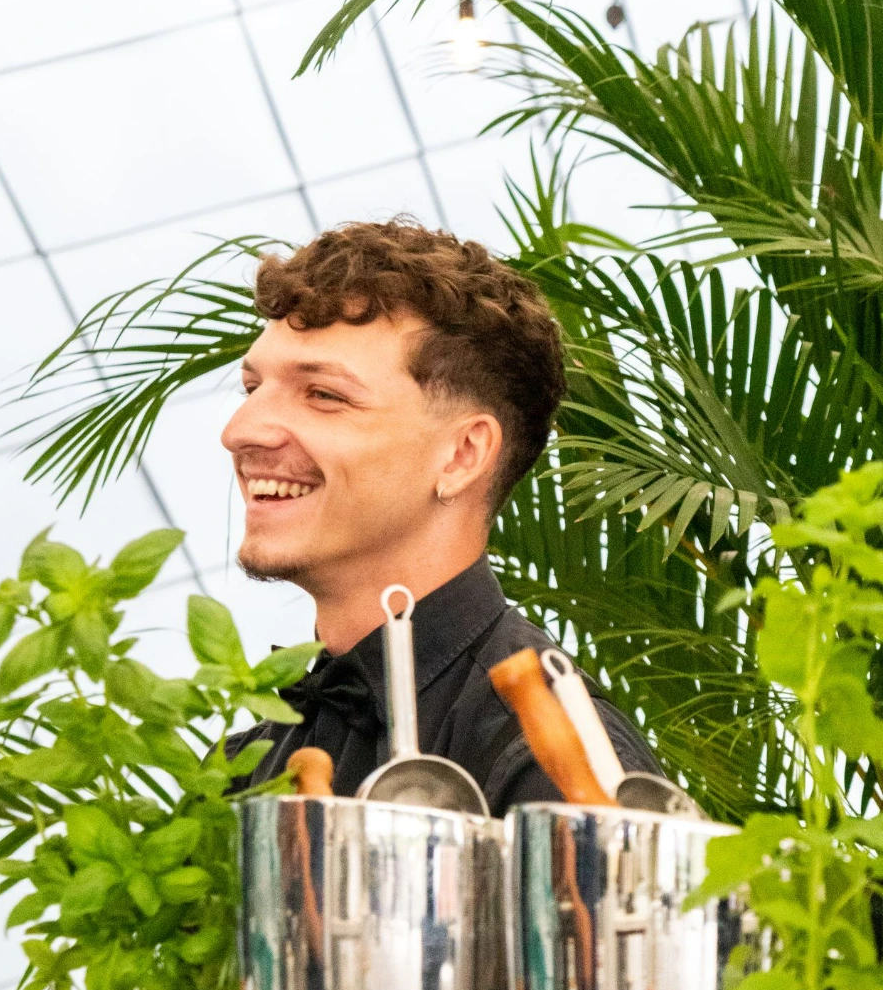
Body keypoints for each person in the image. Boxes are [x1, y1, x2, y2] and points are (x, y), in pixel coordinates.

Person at [220, 220, 656, 812]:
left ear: (462, 456)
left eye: (324, 395)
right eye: (252, 388)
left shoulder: (555, 765)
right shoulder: (244, 763)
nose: (239, 431)